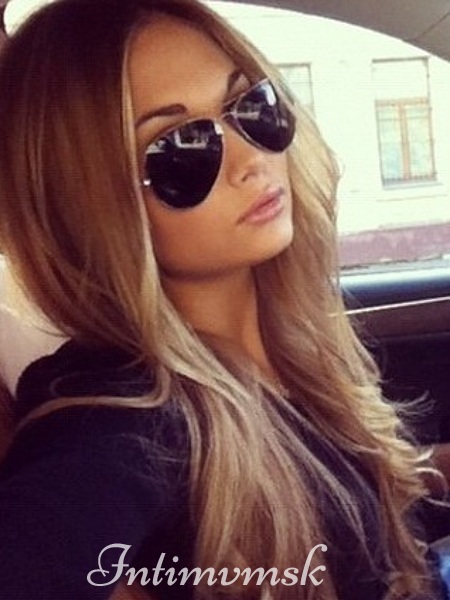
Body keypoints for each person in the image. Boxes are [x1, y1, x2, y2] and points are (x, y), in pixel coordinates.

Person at [0, 0, 446, 598]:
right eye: (180, 146)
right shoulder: (125, 415)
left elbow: (349, 516)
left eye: (251, 106)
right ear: (92, 206)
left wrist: (425, 472)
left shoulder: (290, 343)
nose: (250, 158)